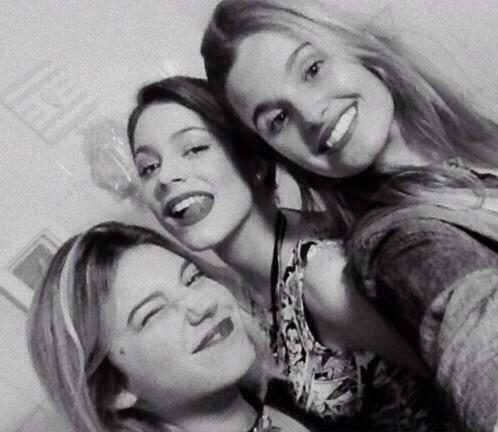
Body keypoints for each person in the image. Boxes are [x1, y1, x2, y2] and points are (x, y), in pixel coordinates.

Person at [200, 1, 498, 431]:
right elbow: (491, 339)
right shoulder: (399, 245)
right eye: (278, 119)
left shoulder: (480, 146)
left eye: (312, 69)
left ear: (355, 48)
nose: (312, 114)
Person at [126, 76, 449, 431]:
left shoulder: (326, 276)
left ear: (253, 160)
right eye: (149, 167)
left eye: (194, 149)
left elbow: (468, 383)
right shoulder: (238, 292)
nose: (166, 177)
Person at [28, 221, 311, 432]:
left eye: (192, 278)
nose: (203, 304)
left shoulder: (305, 393)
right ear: (113, 391)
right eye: (153, 312)